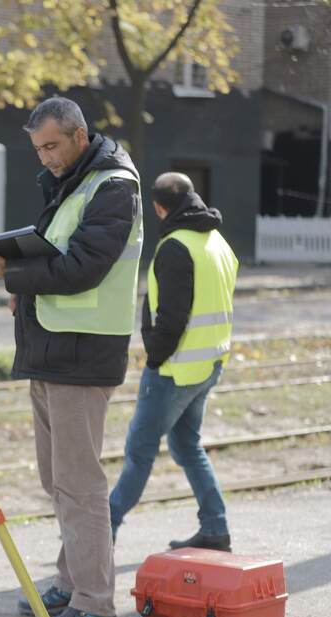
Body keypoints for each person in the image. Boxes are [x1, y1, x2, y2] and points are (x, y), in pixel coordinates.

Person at [0, 96, 142, 617]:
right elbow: (59, 249)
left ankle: (96, 604)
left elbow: (83, 267)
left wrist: (14, 274)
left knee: (79, 483)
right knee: (59, 479)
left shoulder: (113, 186)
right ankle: (73, 581)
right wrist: (22, 281)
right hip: (54, 343)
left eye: (52, 146)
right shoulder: (76, 180)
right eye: (38, 148)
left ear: (79, 135)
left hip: (83, 349)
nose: (45, 157)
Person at [109, 172, 238, 551]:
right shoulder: (218, 243)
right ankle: (215, 528)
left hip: (174, 370)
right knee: (186, 446)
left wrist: (154, 360)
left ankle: (102, 532)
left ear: (159, 207)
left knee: (139, 452)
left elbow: (171, 319)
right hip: (209, 363)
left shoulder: (174, 247)